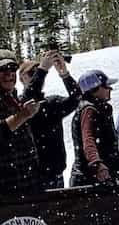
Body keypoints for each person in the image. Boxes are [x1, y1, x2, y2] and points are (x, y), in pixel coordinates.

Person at [18, 49, 81, 188]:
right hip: (33, 178)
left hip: (56, 174)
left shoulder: (51, 103)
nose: (36, 75)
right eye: (31, 73)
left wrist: (64, 73)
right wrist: (42, 69)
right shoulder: (19, 105)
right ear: (21, 78)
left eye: (37, 72)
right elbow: (29, 98)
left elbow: (77, 99)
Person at [0, 48, 41, 201]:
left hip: (28, 183)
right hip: (6, 191)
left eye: (12, 69)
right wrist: (23, 115)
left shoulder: (13, 97)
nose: (9, 73)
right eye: (2, 69)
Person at [70, 70, 119, 186]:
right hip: (90, 178)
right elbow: (88, 139)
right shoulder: (89, 110)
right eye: (106, 86)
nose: (110, 89)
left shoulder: (99, 108)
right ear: (95, 89)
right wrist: (97, 164)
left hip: (97, 175)